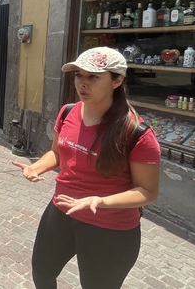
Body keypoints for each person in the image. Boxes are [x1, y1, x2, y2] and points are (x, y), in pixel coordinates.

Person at [12, 47, 161, 288]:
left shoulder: (136, 133)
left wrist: (100, 201)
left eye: (93, 77)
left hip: (109, 227)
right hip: (62, 210)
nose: (82, 83)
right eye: (78, 75)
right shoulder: (68, 112)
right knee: (42, 272)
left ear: (117, 80)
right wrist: (36, 168)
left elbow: (147, 192)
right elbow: (57, 152)